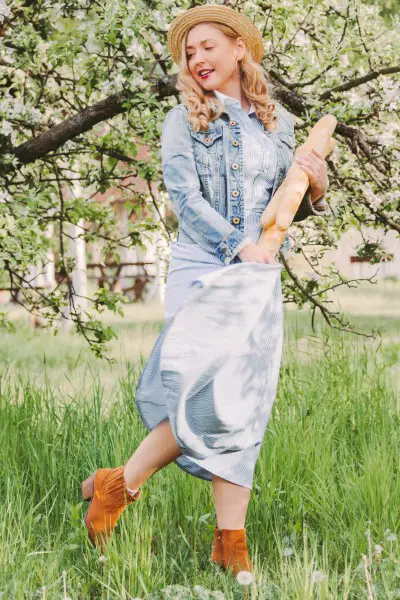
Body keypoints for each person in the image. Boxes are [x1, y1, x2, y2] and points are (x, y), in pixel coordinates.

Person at [81, 4, 330, 576]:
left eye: (207, 47)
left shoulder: (279, 124)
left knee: (244, 403)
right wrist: (237, 245)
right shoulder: (184, 120)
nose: (196, 60)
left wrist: (315, 188)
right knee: (204, 396)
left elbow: (286, 210)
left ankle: (230, 548)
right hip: (203, 268)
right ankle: (120, 486)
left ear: (240, 48)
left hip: (260, 275)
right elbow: (186, 202)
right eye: (188, 53)